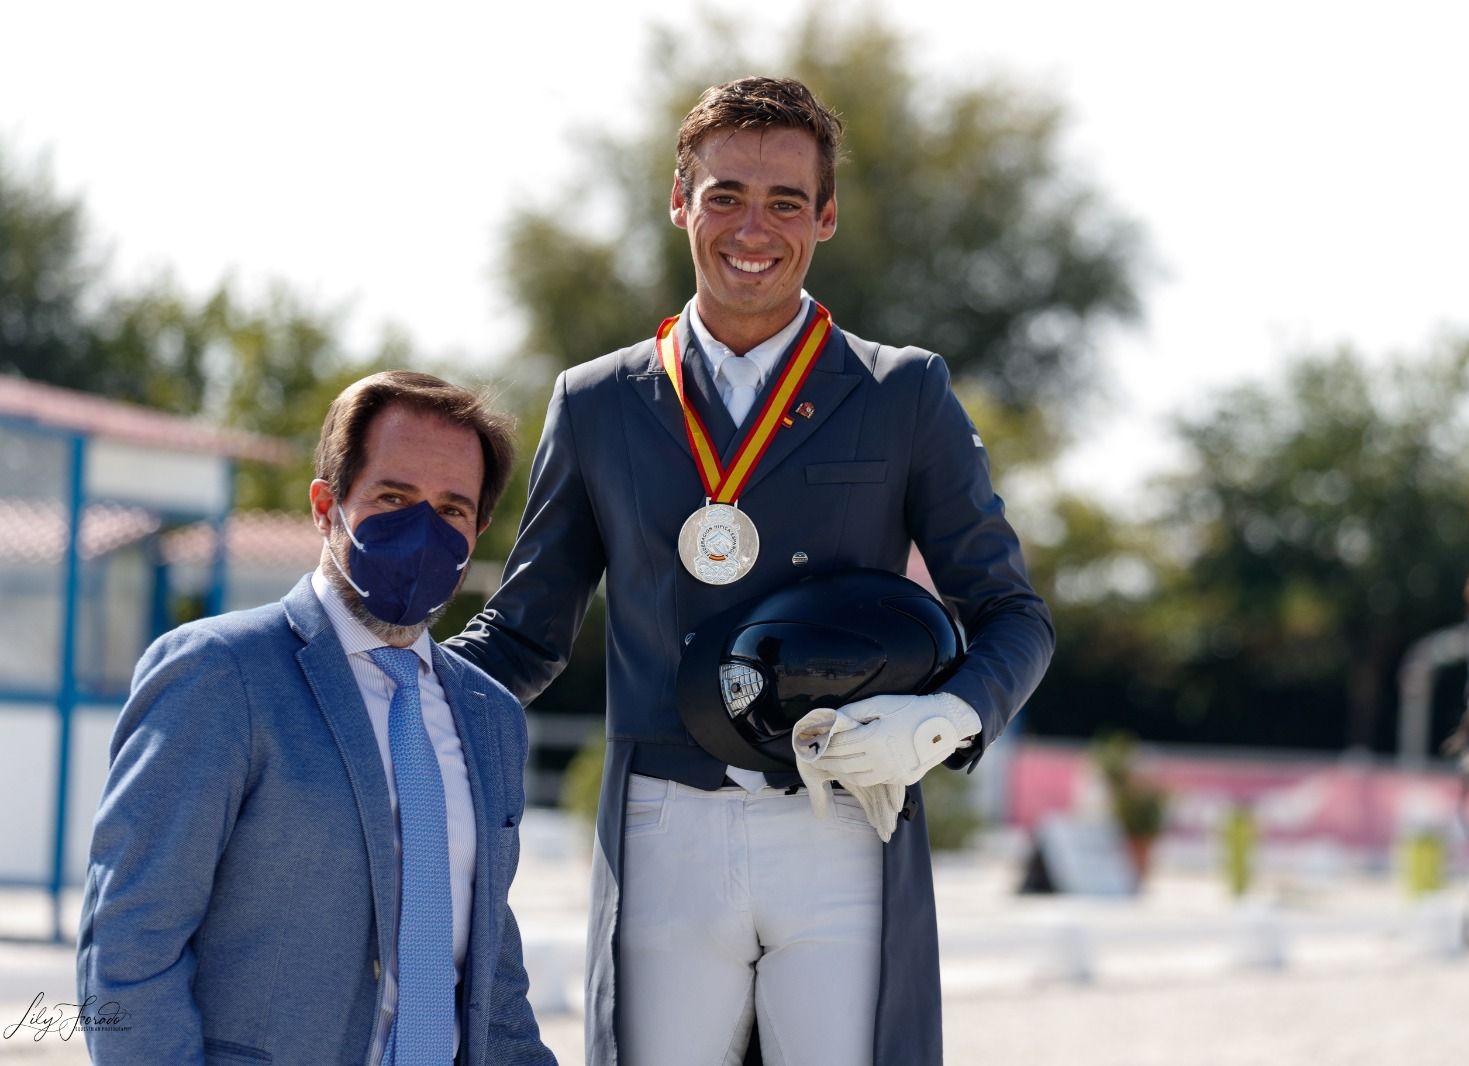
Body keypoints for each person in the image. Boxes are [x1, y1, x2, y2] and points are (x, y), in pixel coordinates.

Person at [450, 76, 1053, 1066]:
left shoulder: (903, 391)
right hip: (662, 824)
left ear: (824, 219)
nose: (751, 227)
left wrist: (944, 720)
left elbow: (1011, 614)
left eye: (784, 202)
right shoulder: (597, 402)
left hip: (844, 821)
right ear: (679, 200)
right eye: (725, 194)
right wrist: (391, 691)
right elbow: (523, 633)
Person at [78, 371, 558, 1066]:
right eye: (393, 497)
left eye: (452, 510)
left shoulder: (491, 717)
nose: (423, 531)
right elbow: (127, 942)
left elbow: (493, 982)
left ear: (479, 529)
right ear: (325, 506)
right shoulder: (220, 674)